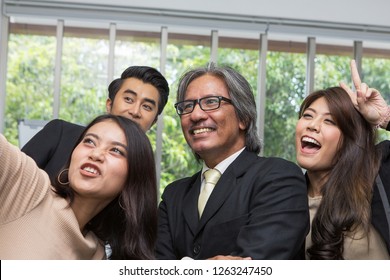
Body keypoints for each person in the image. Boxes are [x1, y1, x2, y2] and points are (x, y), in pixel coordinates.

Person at [155, 63, 309, 260]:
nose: (195, 115)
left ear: (243, 117)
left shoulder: (278, 178)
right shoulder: (173, 195)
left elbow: (256, 267)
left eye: (211, 102)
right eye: (187, 106)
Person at [0, 114, 158, 259]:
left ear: (133, 179)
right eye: (89, 141)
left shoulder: (98, 254)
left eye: (115, 150)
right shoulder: (28, 187)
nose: (95, 154)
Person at [295, 60, 390, 259]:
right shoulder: (286, 199)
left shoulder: (378, 174)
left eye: (329, 121)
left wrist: (385, 118)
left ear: (350, 138)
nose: (312, 125)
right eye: (307, 115)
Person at [22, 65, 169, 181]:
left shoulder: (142, 170)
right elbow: (13, 177)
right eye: (128, 99)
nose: (135, 111)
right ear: (109, 105)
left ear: (154, 121)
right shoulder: (60, 133)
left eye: (147, 107)